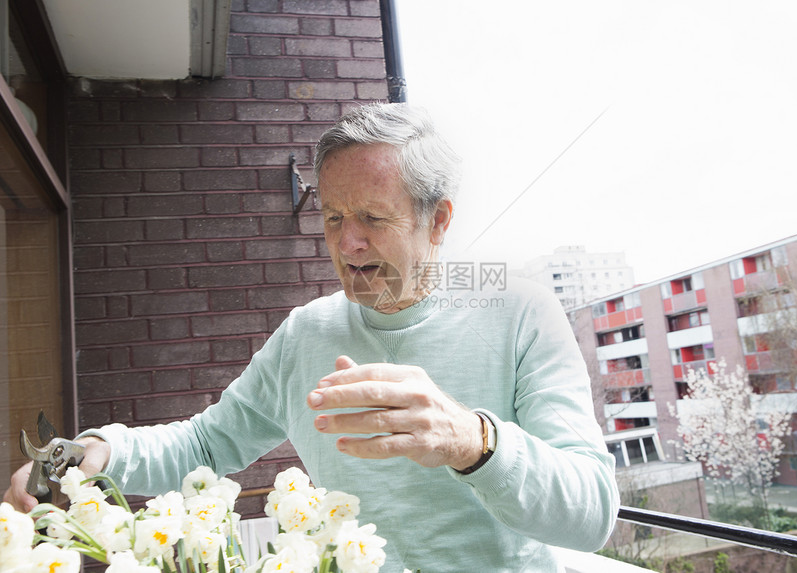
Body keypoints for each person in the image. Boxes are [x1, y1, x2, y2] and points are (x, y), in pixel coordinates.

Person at [5, 103, 619, 571]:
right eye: (331, 216)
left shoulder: (522, 313)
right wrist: (96, 452)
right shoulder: (308, 332)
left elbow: (592, 512)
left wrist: (471, 441)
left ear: (439, 221)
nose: (347, 242)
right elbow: (208, 443)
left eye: (373, 218)